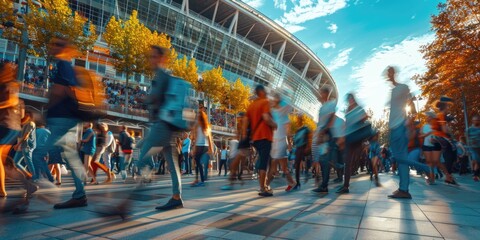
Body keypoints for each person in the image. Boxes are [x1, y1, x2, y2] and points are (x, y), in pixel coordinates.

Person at [45, 37, 88, 209]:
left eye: (57, 44)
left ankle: (36, 185)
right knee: (70, 156)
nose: (52, 46)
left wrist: (48, 108)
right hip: (66, 117)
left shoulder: (63, 65)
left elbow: (63, 90)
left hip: (62, 118)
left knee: (39, 152)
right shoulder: (65, 65)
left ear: (65, 48)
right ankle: (79, 194)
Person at [385, 66, 432, 199]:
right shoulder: (394, 90)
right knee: (401, 159)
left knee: (398, 158)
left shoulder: (402, 87)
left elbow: (411, 104)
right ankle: (403, 189)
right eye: (387, 73)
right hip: (395, 127)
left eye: (390, 72)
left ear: (394, 73)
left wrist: (409, 120)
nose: (388, 75)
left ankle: (424, 167)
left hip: (399, 127)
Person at [1, 62, 38, 204]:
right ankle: (27, 185)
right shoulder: (9, 85)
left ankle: (4, 189)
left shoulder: (9, 85)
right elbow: (22, 116)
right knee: (4, 161)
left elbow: (10, 101)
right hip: (11, 126)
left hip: (6, 125)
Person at [244, 85, 277, 197]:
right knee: (264, 163)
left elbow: (245, 122)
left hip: (255, 138)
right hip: (264, 136)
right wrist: (274, 124)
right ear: (261, 92)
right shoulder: (265, 102)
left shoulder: (251, 105)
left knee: (263, 161)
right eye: (265, 90)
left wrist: (244, 136)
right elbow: (266, 118)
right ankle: (263, 188)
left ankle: (265, 185)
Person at [336, 93, 368, 194]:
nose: (350, 100)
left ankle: (357, 170)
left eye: (351, 98)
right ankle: (346, 186)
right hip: (349, 138)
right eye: (348, 99)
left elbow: (364, 118)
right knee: (348, 162)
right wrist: (342, 136)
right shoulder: (348, 110)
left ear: (353, 99)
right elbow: (345, 124)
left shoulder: (359, 109)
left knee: (355, 160)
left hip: (357, 139)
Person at [266, 93, 295, 191]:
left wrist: (289, 144)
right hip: (275, 142)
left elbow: (288, 131)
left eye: (275, 99)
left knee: (273, 165)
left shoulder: (283, 114)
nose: (272, 101)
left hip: (281, 142)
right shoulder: (273, 112)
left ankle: (266, 186)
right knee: (284, 167)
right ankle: (292, 182)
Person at [311, 86, 337, 193]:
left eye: (321, 93)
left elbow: (332, 118)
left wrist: (323, 132)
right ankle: (323, 184)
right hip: (321, 134)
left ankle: (324, 185)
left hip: (325, 135)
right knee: (322, 159)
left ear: (325, 94)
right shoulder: (322, 107)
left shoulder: (330, 104)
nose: (319, 95)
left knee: (324, 160)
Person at [191, 111, 214, 187]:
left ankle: (201, 181)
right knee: (197, 162)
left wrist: (194, 148)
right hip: (205, 146)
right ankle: (198, 180)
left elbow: (196, 137)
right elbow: (210, 138)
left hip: (199, 145)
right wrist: (211, 148)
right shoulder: (207, 126)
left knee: (197, 162)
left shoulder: (197, 125)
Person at [12, 110, 36, 178]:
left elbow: (26, 136)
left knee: (29, 163)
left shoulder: (30, 123)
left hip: (27, 146)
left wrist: (17, 144)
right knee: (15, 163)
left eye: (27, 115)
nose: (25, 116)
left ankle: (34, 177)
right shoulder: (25, 124)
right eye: (25, 115)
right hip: (22, 146)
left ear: (30, 116)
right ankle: (28, 175)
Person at [467, 115, 480, 181]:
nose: (477, 121)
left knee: (478, 161)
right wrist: (468, 149)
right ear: (472, 121)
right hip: (473, 148)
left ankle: (476, 174)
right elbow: (467, 138)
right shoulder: (469, 129)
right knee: (476, 159)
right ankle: (475, 174)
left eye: (478, 120)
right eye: (475, 120)